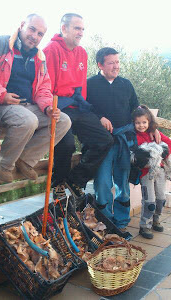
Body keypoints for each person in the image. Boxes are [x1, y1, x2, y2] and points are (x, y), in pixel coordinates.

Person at [0, 14, 71, 183]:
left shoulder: (40, 58)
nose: (35, 36)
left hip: (27, 107)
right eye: (32, 29)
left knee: (63, 120)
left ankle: (25, 159)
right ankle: (3, 162)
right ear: (21, 25)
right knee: (28, 120)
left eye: (40, 34)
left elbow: (43, 87)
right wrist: (1, 94)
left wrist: (48, 107)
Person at [43, 13, 113, 200]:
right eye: (77, 28)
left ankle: (75, 180)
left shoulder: (82, 52)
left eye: (82, 29)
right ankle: (58, 183)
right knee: (66, 145)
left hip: (78, 107)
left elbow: (81, 86)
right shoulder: (51, 50)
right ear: (64, 28)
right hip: (59, 106)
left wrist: (87, 108)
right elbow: (46, 86)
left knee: (105, 140)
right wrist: (51, 107)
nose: (81, 32)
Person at [87, 47, 139, 230]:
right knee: (102, 184)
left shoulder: (126, 84)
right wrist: (99, 117)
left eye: (117, 62)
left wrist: (153, 129)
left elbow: (137, 111)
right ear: (100, 64)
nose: (116, 66)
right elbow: (84, 109)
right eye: (111, 63)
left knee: (122, 185)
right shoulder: (90, 84)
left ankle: (121, 223)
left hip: (124, 142)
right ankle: (105, 222)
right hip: (101, 144)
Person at [133, 105, 171, 239]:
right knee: (149, 201)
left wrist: (161, 154)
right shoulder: (135, 137)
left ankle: (156, 219)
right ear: (133, 123)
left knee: (161, 198)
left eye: (144, 122)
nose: (141, 125)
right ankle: (145, 226)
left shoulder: (155, 134)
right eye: (138, 123)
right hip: (146, 173)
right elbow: (137, 157)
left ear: (149, 122)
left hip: (160, 170)